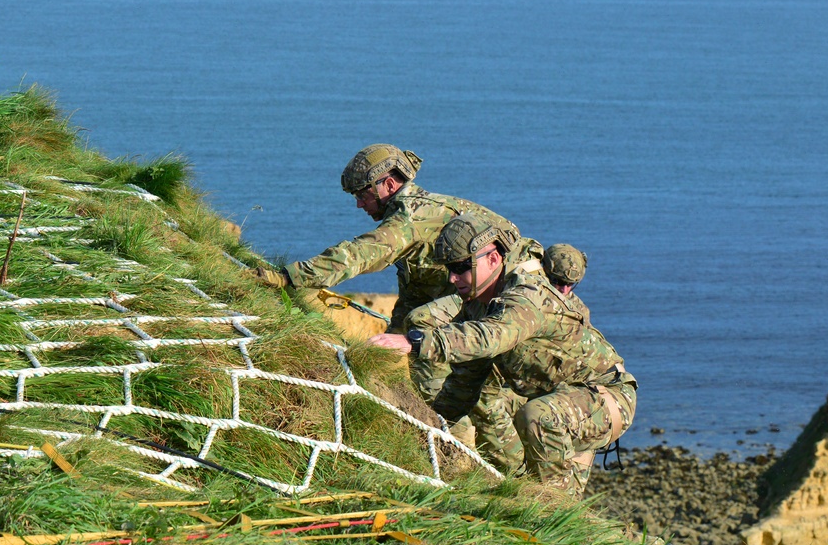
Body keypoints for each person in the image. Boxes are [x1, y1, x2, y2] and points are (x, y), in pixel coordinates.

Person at [252, 143, 524, 472]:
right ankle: (464, 457)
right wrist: (392, 339)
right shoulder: (420, 213)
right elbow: (418, 287)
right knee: (440, 367)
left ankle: (469, 465)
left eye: (362, 194)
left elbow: (359, 255)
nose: (358, 204)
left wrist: (288, 277)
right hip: (468, 299)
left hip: (495, 306)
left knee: (465, 390)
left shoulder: (410, 218)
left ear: (388, 185)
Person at [370, 215, 636, 497]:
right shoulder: (477, 307)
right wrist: (427, 429)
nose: (452, 278)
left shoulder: (526, 297)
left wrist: (415, 341)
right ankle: (539, 503)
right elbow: (466, 383)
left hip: (608, 397)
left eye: (461, 267)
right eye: (449, 268)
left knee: (538, 418)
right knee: (496, 407)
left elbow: (491, 336)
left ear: (494, 259)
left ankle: (553, 509)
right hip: (562, 401)